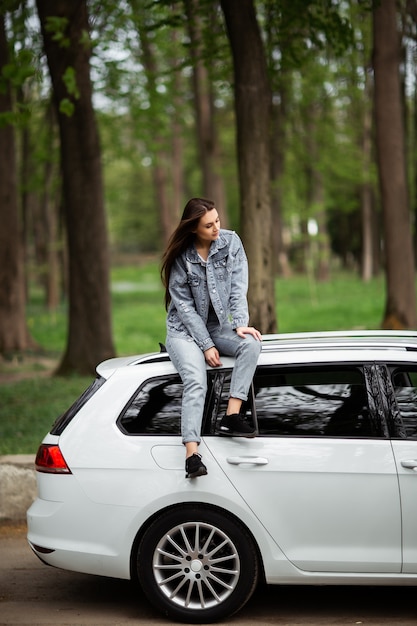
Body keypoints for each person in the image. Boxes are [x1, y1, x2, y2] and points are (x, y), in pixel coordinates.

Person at [161, 197, 262, 479]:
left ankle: (231, 416)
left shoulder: (231, 243)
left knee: (252, 343)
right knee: (196, 380)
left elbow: (238, 288)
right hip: (183, 331)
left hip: (218, 326)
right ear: (194, 228)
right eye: (208, 225)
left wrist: (241, 324)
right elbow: (185, 308)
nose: (216, 228)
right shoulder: (183, 258)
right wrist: (205, 345)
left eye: (217, 220)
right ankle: (192, 455)